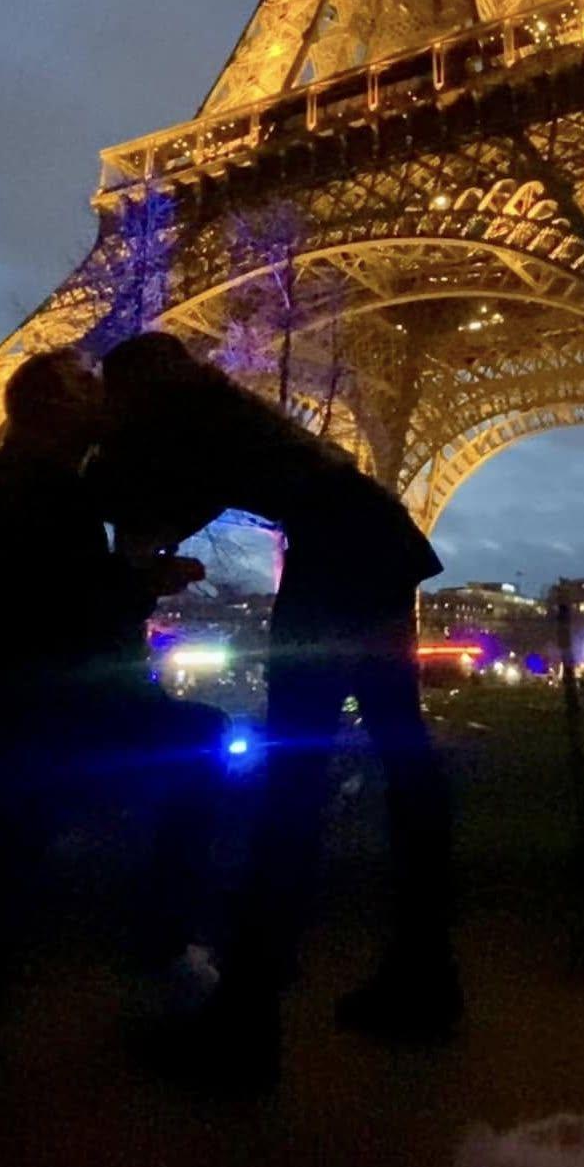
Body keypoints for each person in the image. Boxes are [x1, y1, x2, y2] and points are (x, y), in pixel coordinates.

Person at [95, 332, 459, 1082]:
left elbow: (142, 504)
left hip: (339, 555)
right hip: (376, 543)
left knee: (295, 771)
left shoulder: (191, 422)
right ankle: (425, 973)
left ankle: (247, 1018)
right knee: (401, 759)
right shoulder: (225, 412)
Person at [0, 347, 225, 1054]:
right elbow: (65, 612)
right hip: (24, 718)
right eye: (86, 385)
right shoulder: (44, 493)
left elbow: (47, 599)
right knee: (204, 743)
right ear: (55, 409)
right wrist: (141, 584)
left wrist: (136, 581)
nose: (102, 395)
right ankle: (162, 949)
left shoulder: (9, 487)